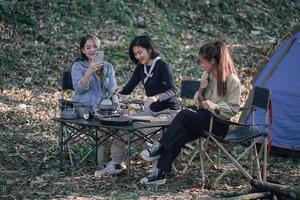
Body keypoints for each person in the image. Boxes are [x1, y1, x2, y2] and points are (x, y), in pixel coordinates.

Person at [139, 40, 241, 185]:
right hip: (202, 120)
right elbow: (197, 101)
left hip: (219, 124)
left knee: (184, 115)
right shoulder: (206, 75)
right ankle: (160, 174)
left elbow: (234, 108)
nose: (201, 65)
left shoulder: (233, 81)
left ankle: (160, 146)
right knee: (178, 135)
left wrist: (216, 106)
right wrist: (201, 90)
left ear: (213, 61)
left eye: (203, 62)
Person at [95, 35, 180, 176]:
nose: (138, 56)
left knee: (142, 130)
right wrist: (118, 89)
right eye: (135, 54)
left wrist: (156, 97)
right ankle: (116, 164)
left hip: (169, 111)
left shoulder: (162, 66)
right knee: (122, 125)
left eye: (140, 52)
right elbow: (128, 89)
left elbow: (173, 90)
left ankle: (158, 165)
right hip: (152, 110)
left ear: (149, 49)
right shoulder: (141, 68)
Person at [71, 33, 119, 111]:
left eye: (95, 46)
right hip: (84, 108)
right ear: (83, 50)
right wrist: (90, 71)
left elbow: (113, 89)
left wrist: (117, 104)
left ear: (100, 48)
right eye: (88, 47)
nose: (92, 50)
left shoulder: (108, 67)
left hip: (103, 109)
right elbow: (79, 90)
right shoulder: (77, 66)